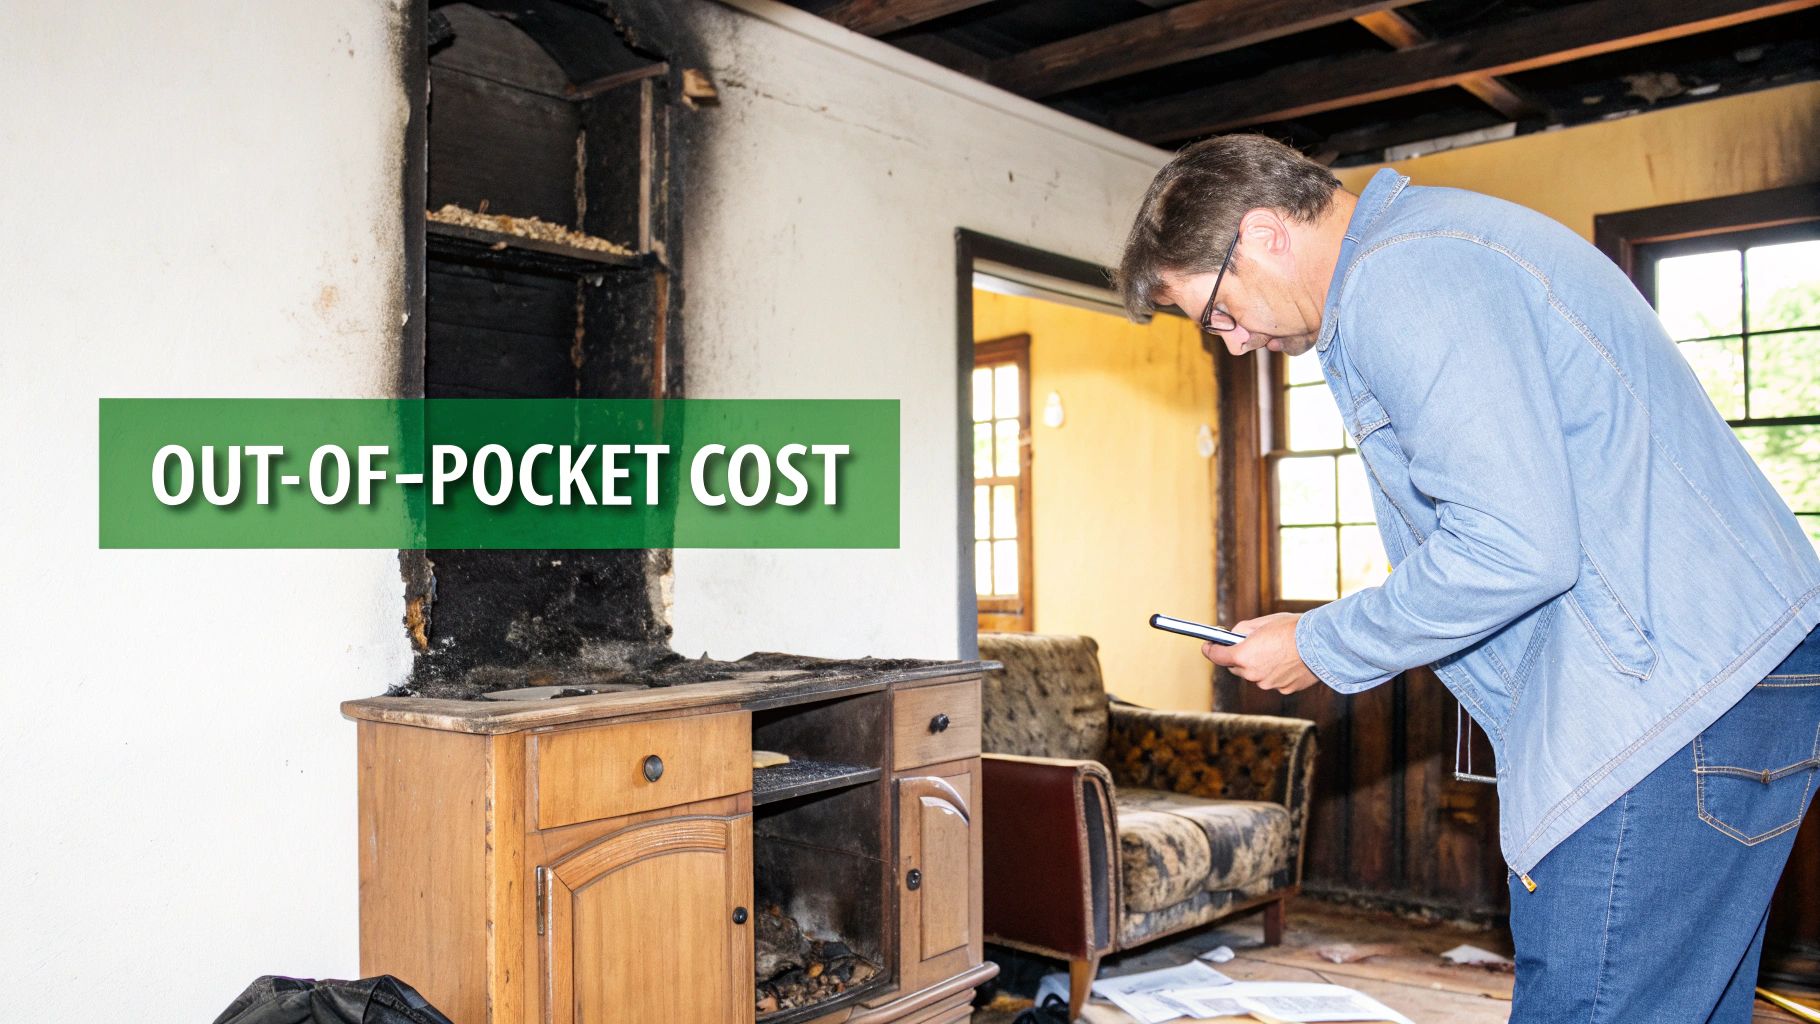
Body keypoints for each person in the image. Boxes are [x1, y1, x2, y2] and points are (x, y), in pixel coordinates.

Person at [1114, 134, 1820, 1023]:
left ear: (1263, 234)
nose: (1232, 338)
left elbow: (1512, 545)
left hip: (1661, 704)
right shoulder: (1441, 243)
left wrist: (1318, 643)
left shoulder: (1402, 276)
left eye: (1215, 311)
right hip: (1723, 677)